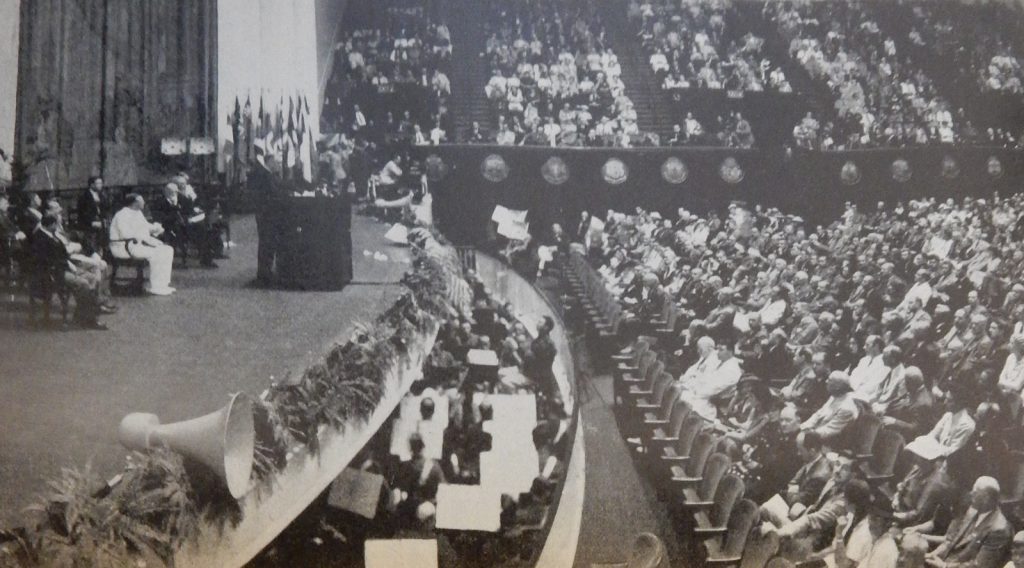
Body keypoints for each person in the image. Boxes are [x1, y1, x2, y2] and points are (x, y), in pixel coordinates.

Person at [32, 214, 106, 329]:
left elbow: (62, 255)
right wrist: (69, 267)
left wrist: (70, 265)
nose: (58, 226)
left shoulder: (52, 235)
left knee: (92, 278)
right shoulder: (40, 238)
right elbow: (46, 260)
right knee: (83, 283)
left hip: (62, 268)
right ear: (51, 224)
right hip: (52, 273)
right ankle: (89, 318)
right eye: (56, 224)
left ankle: (83, 314)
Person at [922, 476, 1011, 568]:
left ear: (986, 497)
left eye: (975, 492)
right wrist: (933, 555)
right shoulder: (972, 512)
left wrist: (945, 566)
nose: (971, 494)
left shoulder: (999, 529)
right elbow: (951, 541)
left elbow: (980, 565)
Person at [109, 193, 176, 295]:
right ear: (135, 203)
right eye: (142, 201)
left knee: (167, 250)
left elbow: (145, 226)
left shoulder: (138, 213)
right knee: (157, 253)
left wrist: (156, 228)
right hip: (125, 247)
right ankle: (156, 286)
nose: (144, 202)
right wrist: (144, 238)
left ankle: (163, 284)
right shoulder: (121, 215)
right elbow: (125, 234)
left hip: (138, 244)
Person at [249, 141, 280, 286]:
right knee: (267, 242)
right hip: (267, 212)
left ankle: (265, 271)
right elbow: (271, 191)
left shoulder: (262, 171)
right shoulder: (263, 173)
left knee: (266, 243)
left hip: (264, 212)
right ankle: (264, 273)